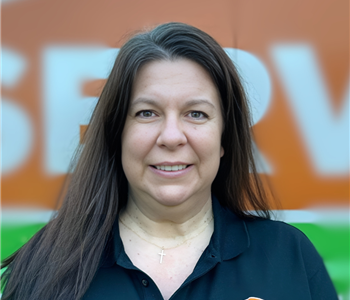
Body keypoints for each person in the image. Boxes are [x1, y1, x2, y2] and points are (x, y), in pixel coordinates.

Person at [1, 22, 338, 300]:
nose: (172, 136)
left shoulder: (288, 257)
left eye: (196, 113)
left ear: (224, 139)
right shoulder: (46, 263)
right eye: (147, 113)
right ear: (117, 132)